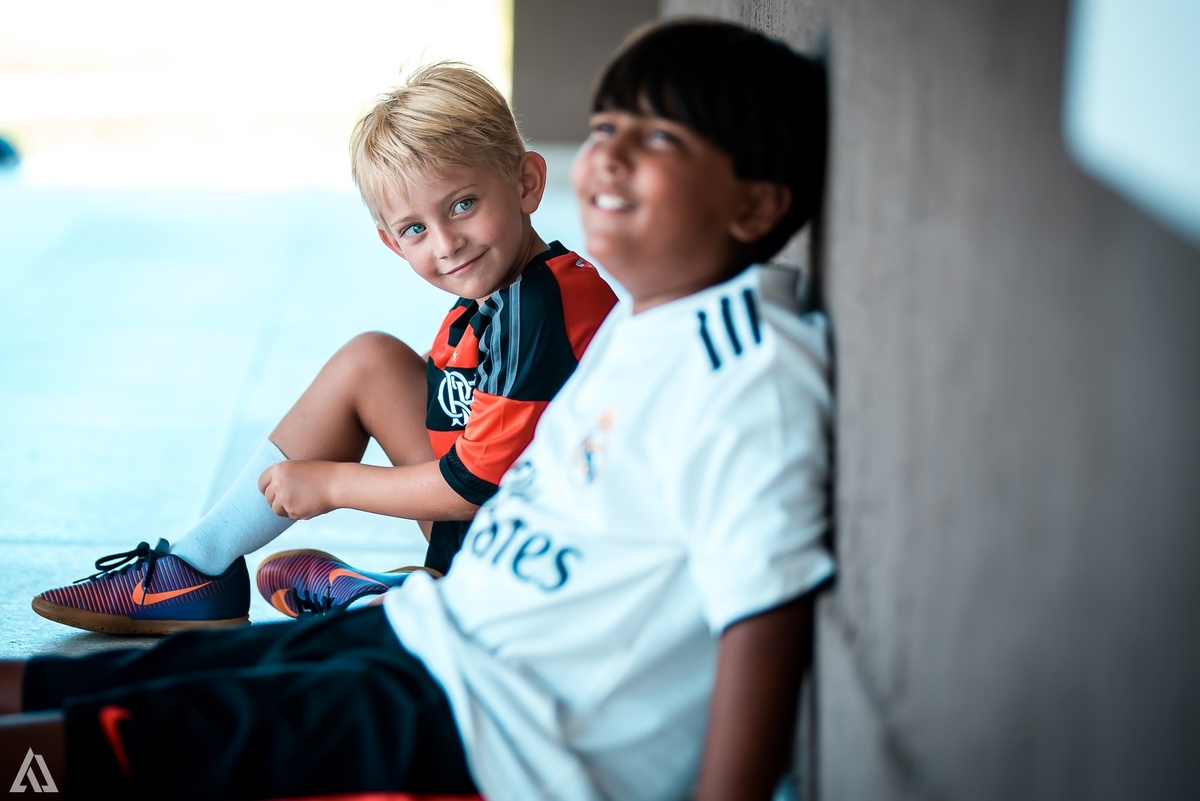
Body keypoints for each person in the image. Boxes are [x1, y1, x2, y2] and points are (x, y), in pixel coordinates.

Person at [0, 17, 833, 801]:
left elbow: (761, 620)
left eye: (657, 139)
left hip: (488, 724)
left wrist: (327, 483)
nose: (609, 156)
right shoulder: (649, 327)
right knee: (85, 683)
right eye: (607, 126)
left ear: (754, 204)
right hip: (440, 632)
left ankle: (367, 592)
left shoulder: (747, 370)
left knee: (111, 745)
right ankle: (304, 587)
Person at [28, 62, 618, 635]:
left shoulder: (540, 306)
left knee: (394, 410)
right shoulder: (496, 300)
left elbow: (472, 487)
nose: (447, 243)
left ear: (526, 183)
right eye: (415, 228)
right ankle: (202, 567)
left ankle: (415, 602)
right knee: (373, 360)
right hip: (521, 529)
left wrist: (330, 483)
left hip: (569, 578)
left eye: (463, 204)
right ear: (391, 243)